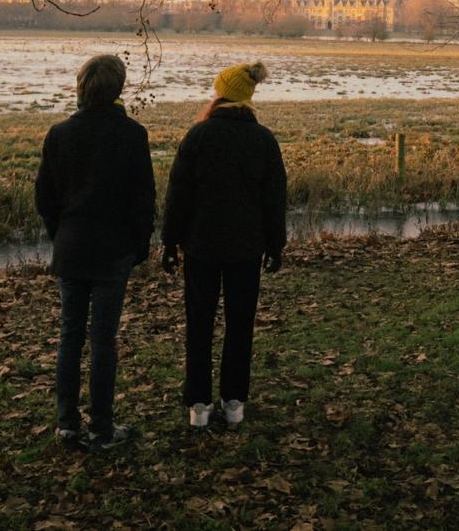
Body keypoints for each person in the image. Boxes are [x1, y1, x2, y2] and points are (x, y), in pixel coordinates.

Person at [35, 54, 155, 450]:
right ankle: (102, 427)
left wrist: (61, 234)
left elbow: (45, 198)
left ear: (82, 86)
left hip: (72, 246)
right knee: (104, 340)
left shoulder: (59, 134)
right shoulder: (132, 135)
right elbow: (143, 200)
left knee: (70, 335)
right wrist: (138, 247)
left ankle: (66, 423)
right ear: (118, 88)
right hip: (113, 250)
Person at [161, 61, 287, 430]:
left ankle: (198, 405)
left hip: (200, 246)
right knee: (240, 324)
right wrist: (275, 246)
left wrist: (170, 243)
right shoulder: (263, 140)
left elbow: (178, 197)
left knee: (198, 323)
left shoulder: (197, 137)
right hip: (246, 249)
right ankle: (234, 403)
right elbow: (274, 199)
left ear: (220, 96)